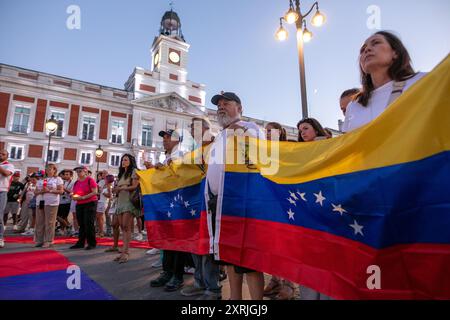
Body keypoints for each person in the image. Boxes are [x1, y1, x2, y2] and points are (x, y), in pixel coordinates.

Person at [205, 91, 266, 300]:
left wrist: (239, 132)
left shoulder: (251, 128)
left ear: (240, 108)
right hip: (219, 202)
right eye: (218, 105)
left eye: (226, 103)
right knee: (228, 253)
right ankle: (235, 298)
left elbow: (260, 156)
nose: (221, 107)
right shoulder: (219, 135)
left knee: (249, 257)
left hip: (242, 201)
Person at [343, 31, 426, 133]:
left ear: (395, 52)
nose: (367, 49)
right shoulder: (353, 106)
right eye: (362, 49)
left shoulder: (423, 82)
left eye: (376, 43)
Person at [180, 117, 222, 300]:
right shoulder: (193, 149)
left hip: (211, 200)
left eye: (194, 126)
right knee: (195, 242)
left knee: (208, 243)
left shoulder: (217, 143)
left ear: (205, 128)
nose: (190, 129)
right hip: (194, 201)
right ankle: (199, 282)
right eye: (190, 126)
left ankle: (213, 288)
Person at [150, 130, 193, 292]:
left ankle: (177, 275)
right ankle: (167, 272)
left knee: (178, 240)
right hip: (168, 202)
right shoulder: (169, 156)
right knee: (168, 238)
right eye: (163, 138)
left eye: (167, 137)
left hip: (178, 202)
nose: (164, 140)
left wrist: (165, 169)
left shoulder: (182, 153)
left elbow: (183, 175)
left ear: (177, 140)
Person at [262, 122, 297, 300]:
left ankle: (289, 283)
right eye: (265, 131)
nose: (267, 133)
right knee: (271, 244)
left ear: (280, 132)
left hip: (286, 202)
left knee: (286, 244)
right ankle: (275, 280)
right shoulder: (261, 150)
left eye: (270, 131)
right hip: (267, 202)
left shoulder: (289, 148)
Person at [107, 154, 139, 263]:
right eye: (122, 160)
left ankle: (126, 252)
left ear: (131, 161)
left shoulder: (134, 171)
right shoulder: (121, 174)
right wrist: (116, 189)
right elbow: (119, 187)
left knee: (126, 226)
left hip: (129, 202)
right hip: (120, 201)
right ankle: (122, 252)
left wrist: (122, 188)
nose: (123, 161)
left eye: (126, 160)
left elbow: (135, 186)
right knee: (122, 227)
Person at [34, 164, 64, 248]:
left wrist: (49, 190)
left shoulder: (58, 179)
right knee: (39, 221)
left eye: (50, 169)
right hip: (40, 202)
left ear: (54, 170)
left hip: (51, 202)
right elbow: (35, 192)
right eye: (47, 169)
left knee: (49, 222)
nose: (48, 170)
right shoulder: (41, 179)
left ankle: (48, 240)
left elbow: (61, 191)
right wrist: (41, 192)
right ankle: (39, 240)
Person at [69, 166, 98, 250]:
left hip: (90, 203)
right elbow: (74, 192)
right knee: (81, 224)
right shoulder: (76, 182)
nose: (78, 173)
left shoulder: (90, 180)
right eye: (77, 171)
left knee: (88, 223)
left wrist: (83, 197)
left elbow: (95, 192)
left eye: (80, 171)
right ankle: (80, 242)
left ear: (85, 171)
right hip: (79, 203)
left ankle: (91, 243)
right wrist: (73, 196)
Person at [0, 149, 14, 248]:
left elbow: (6, 174)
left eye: (3, 154)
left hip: (2, 191)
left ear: (7, 156)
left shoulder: (9, 165)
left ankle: (0, 237)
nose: (0, 155)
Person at [57, 169, 74, 236]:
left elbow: (72, 192)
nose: (65, 176)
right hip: (59, 201)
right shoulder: (61, 181)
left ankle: (65, 228)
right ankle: (66, 227)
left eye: (67, 174)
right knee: (59, 216)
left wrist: (63, 188)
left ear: (71, 175)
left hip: (67, 202)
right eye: (65, 174)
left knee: (63, 216)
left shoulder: (73, 183)